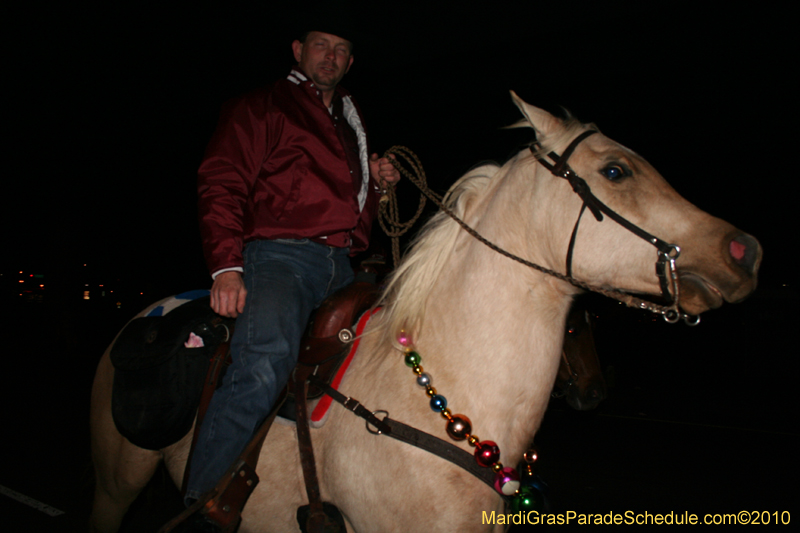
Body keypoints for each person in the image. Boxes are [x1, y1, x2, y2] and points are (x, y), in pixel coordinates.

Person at [184, 22, 401, 518]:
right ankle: (203, 505)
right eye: (321, 46)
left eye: (342, 49)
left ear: (350, 62)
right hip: (279, 258)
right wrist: (225, 267)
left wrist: (381, 187)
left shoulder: (349, 115)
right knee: (264, 363)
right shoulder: (261, 105)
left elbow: (347, 202)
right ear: (298, 50)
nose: (331, 56)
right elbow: (221, 182)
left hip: (342, 265)